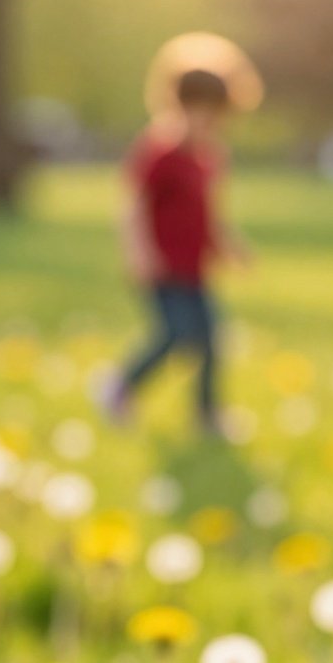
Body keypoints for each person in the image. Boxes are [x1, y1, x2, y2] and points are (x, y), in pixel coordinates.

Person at [104, 34, 263, 433]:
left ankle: (206, 414)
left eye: (214, 115)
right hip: (163, 267)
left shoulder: (209, 158)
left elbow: (208, 214)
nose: (206, 122)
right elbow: (133, 206)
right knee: (176, 336)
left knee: (212, 342)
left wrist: (229, 247)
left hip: (195, 269)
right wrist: (138, 252)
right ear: (178, 106)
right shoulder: (159, 151)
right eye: (198, 112)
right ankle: (121, 386)